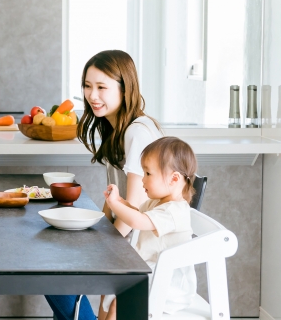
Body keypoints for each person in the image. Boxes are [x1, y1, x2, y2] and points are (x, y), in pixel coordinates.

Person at [45, 50, 162, 320]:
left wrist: (98, 252)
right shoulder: (116, 130)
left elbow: (132, 211)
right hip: (133, 243)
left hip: (145, 250)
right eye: (87, 86)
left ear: (124, 89)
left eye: (101, 87)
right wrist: (91, 232)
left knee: (56, 277)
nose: (92, 95)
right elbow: (114, 201)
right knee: (55, 268)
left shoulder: (137, 132)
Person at [99, 136, 198, 319]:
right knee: (110, 288)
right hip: (154, 273)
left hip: (170, 285)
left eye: (148, 174)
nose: (142, 180)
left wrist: (115, 205)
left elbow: (138, 221)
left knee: (120, 299)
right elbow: (136, 212)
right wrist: (120, 201)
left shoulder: (174, 211)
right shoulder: (157, 203)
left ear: (173, 178)